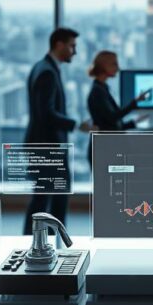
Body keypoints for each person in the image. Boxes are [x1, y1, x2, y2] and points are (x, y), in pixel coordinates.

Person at [23, 27, 93, 235]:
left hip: (44, 144)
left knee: (43, 199)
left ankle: (39, 243)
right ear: (59, 45)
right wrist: (76, 124)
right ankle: (49, 243)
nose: (75, 51)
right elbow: (46, 114)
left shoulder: (42, 67)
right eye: (72, 46)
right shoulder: (47, 73)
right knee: (53, 200)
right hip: (47, 146)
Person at [85, 50, 148, 163]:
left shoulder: (102, 88)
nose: (118, 68)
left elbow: (111, 125)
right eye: (114, 64)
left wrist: (134, 122)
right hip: (104, 151)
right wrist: (134, 103)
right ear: (104, 66)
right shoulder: (98, 92)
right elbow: (112, 118)